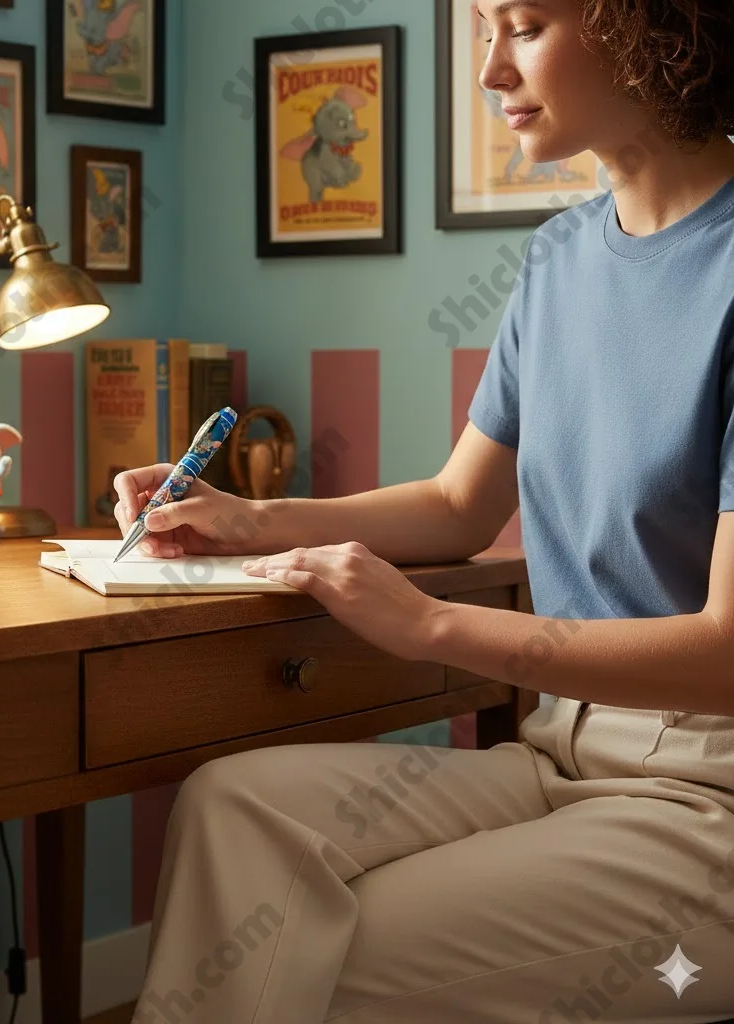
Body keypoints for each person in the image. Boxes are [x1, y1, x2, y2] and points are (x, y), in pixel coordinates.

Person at [114, 0, 734, 1019]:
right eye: (481, 29)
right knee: (231, 807)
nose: (490, 70)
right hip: (558, 751)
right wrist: (250, 519)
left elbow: (723, 653)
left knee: (313, 946)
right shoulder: (560, 258)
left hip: (706, 796)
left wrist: (431, 625)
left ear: (650, 26)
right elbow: (456, 505)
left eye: (523, 25)